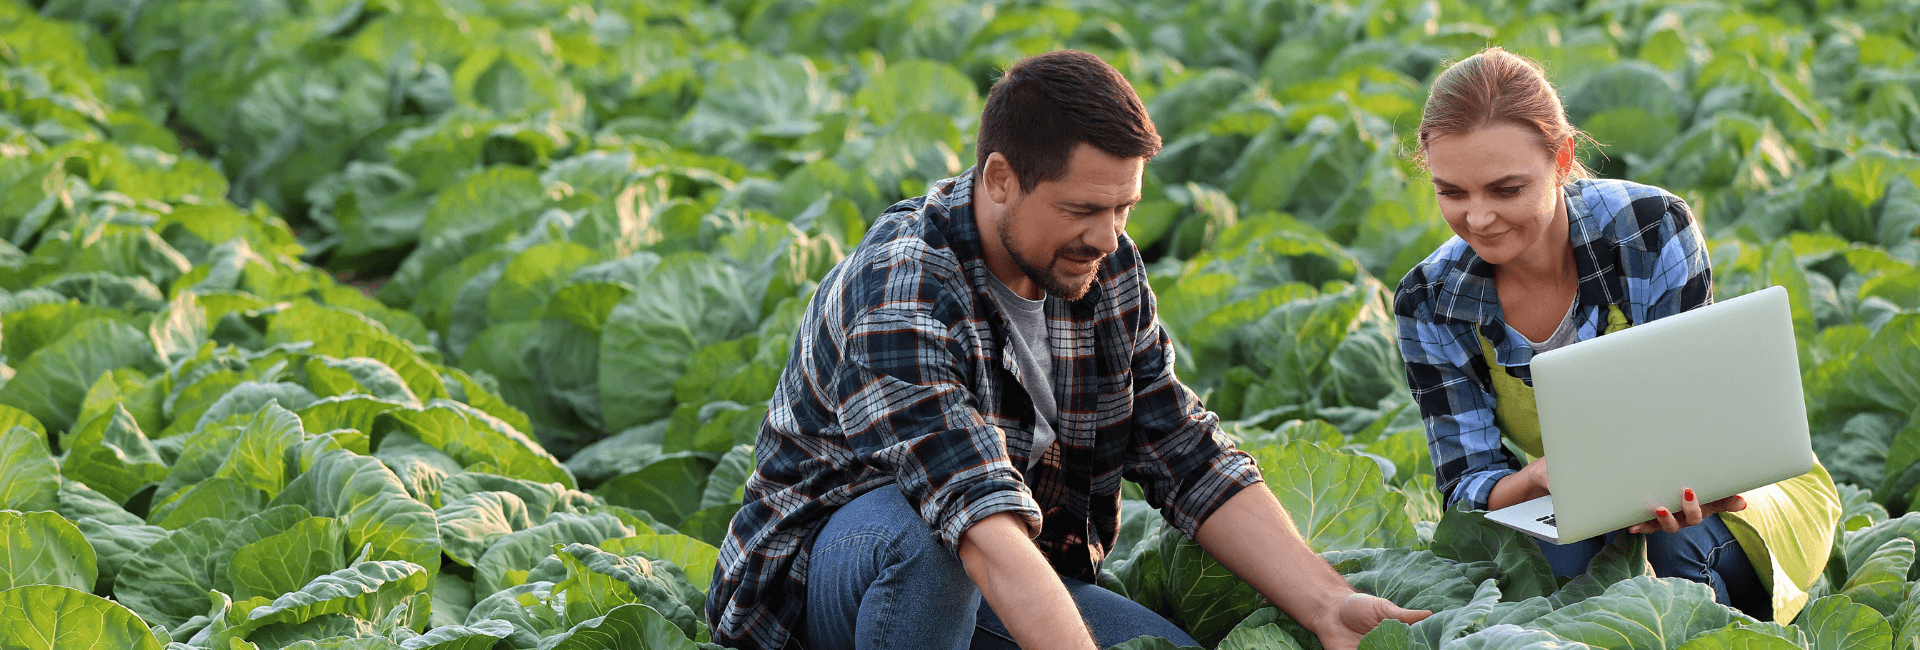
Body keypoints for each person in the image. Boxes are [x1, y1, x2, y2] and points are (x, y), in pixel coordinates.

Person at [707, 51, 1430, 650]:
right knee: (929, 541)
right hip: (827, 593)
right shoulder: (900, 287)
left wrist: (1326, 600)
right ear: (999, 179)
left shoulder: (1103, 266)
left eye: (1124, 207)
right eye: (1083, 209)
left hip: (1006, 577)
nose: (1109, 237)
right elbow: (975, 514)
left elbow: (1181, 447)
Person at [1393, 47, 1842, 623]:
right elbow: (1465, 482)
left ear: (1561, 160)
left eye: (1505, 190)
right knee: (1560, 555)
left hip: (1733, 490)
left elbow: (1697, 423)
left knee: (1671, 544)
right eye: (1451, 192)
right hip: (1577, 504)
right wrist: (1531, 479)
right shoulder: (1429, 298)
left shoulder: (1651, 227)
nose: (1477, 218)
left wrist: (1696, 481)